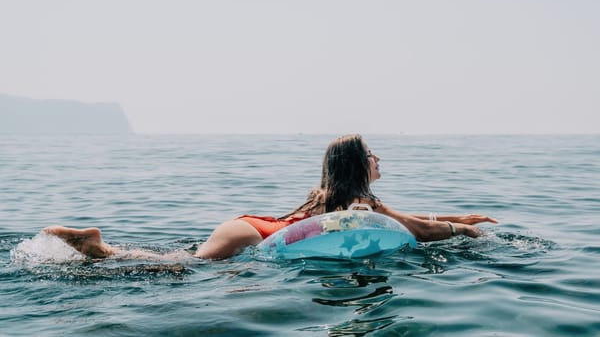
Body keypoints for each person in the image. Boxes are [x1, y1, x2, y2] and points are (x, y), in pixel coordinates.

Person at [44, 134, 498, 260]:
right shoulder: (364, 205)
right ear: (360, 166)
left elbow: (408, 214)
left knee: (185, 259)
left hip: (250, 224)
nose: (380, 159)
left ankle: (103, 248)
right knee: (186, 268)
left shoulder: (328, 193)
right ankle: (100, 249)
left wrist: (459, 212)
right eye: (373, 154)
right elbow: (415, 228)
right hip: (259, 239)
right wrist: (465, 232)